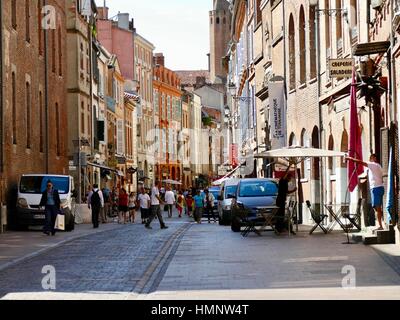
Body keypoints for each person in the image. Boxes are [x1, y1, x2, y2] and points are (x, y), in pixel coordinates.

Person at [346, 153, 385, 231]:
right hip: (380, 187)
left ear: (374, 158)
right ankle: (381, 224)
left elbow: (360, 162)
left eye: (371, 158)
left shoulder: (373, 164)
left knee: (377, 208)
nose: (369, 160)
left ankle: (380, 226)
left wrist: (350, 159)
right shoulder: (379, 166)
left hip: (375, 188)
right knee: (378, 208)